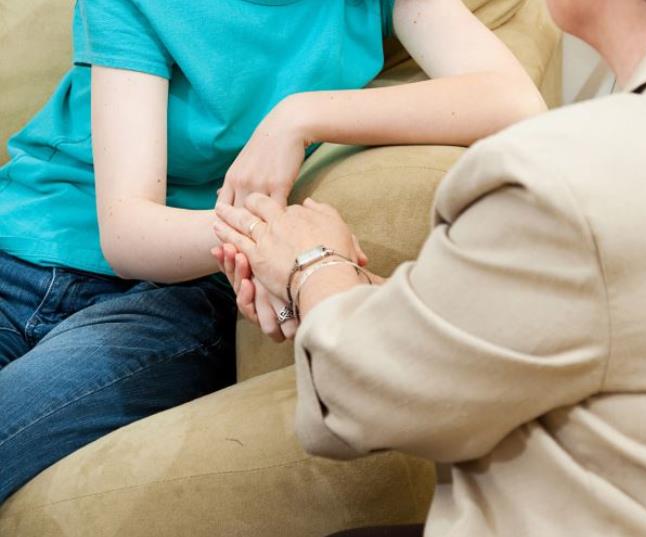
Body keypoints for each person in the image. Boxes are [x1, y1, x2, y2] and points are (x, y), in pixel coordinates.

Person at [214, 0, 646, 535]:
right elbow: (591, 310)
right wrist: (362, 287)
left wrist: (311, 266)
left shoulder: (563, 176)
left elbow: (367, 398)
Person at [0, 0, 546, 503]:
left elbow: (514, 100)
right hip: (22, 250)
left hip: (177, 293)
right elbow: (129, 232)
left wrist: (298, 115)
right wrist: (274, 243)